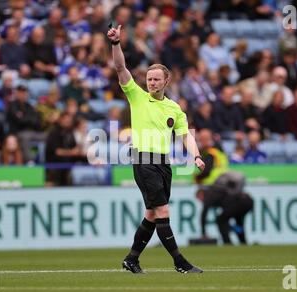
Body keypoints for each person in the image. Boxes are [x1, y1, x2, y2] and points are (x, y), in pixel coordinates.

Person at [108, 24, 205, 274]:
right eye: (149, 79)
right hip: (143, 160)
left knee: (152, 214)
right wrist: (116, 43)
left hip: (163, 163)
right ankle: (179, 262)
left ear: (166, 81)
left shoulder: (174, 108)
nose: (151, 83)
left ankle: (132, 258)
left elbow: (186, 135)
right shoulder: (137, 96)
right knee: (162, 210)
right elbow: (120, 67)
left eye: (156, 79)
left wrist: (196, 155)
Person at [196, 171, 254, 245]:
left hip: (241, 202)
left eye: (199, 198)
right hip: (247, 201)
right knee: (238, 222)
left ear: (201, 194)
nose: (201, 201)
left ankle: (227, 243)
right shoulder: (216, 189)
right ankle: (243, 242)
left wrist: (203, 233)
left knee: (220, 220)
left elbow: (204, 214)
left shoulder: (209, 194)